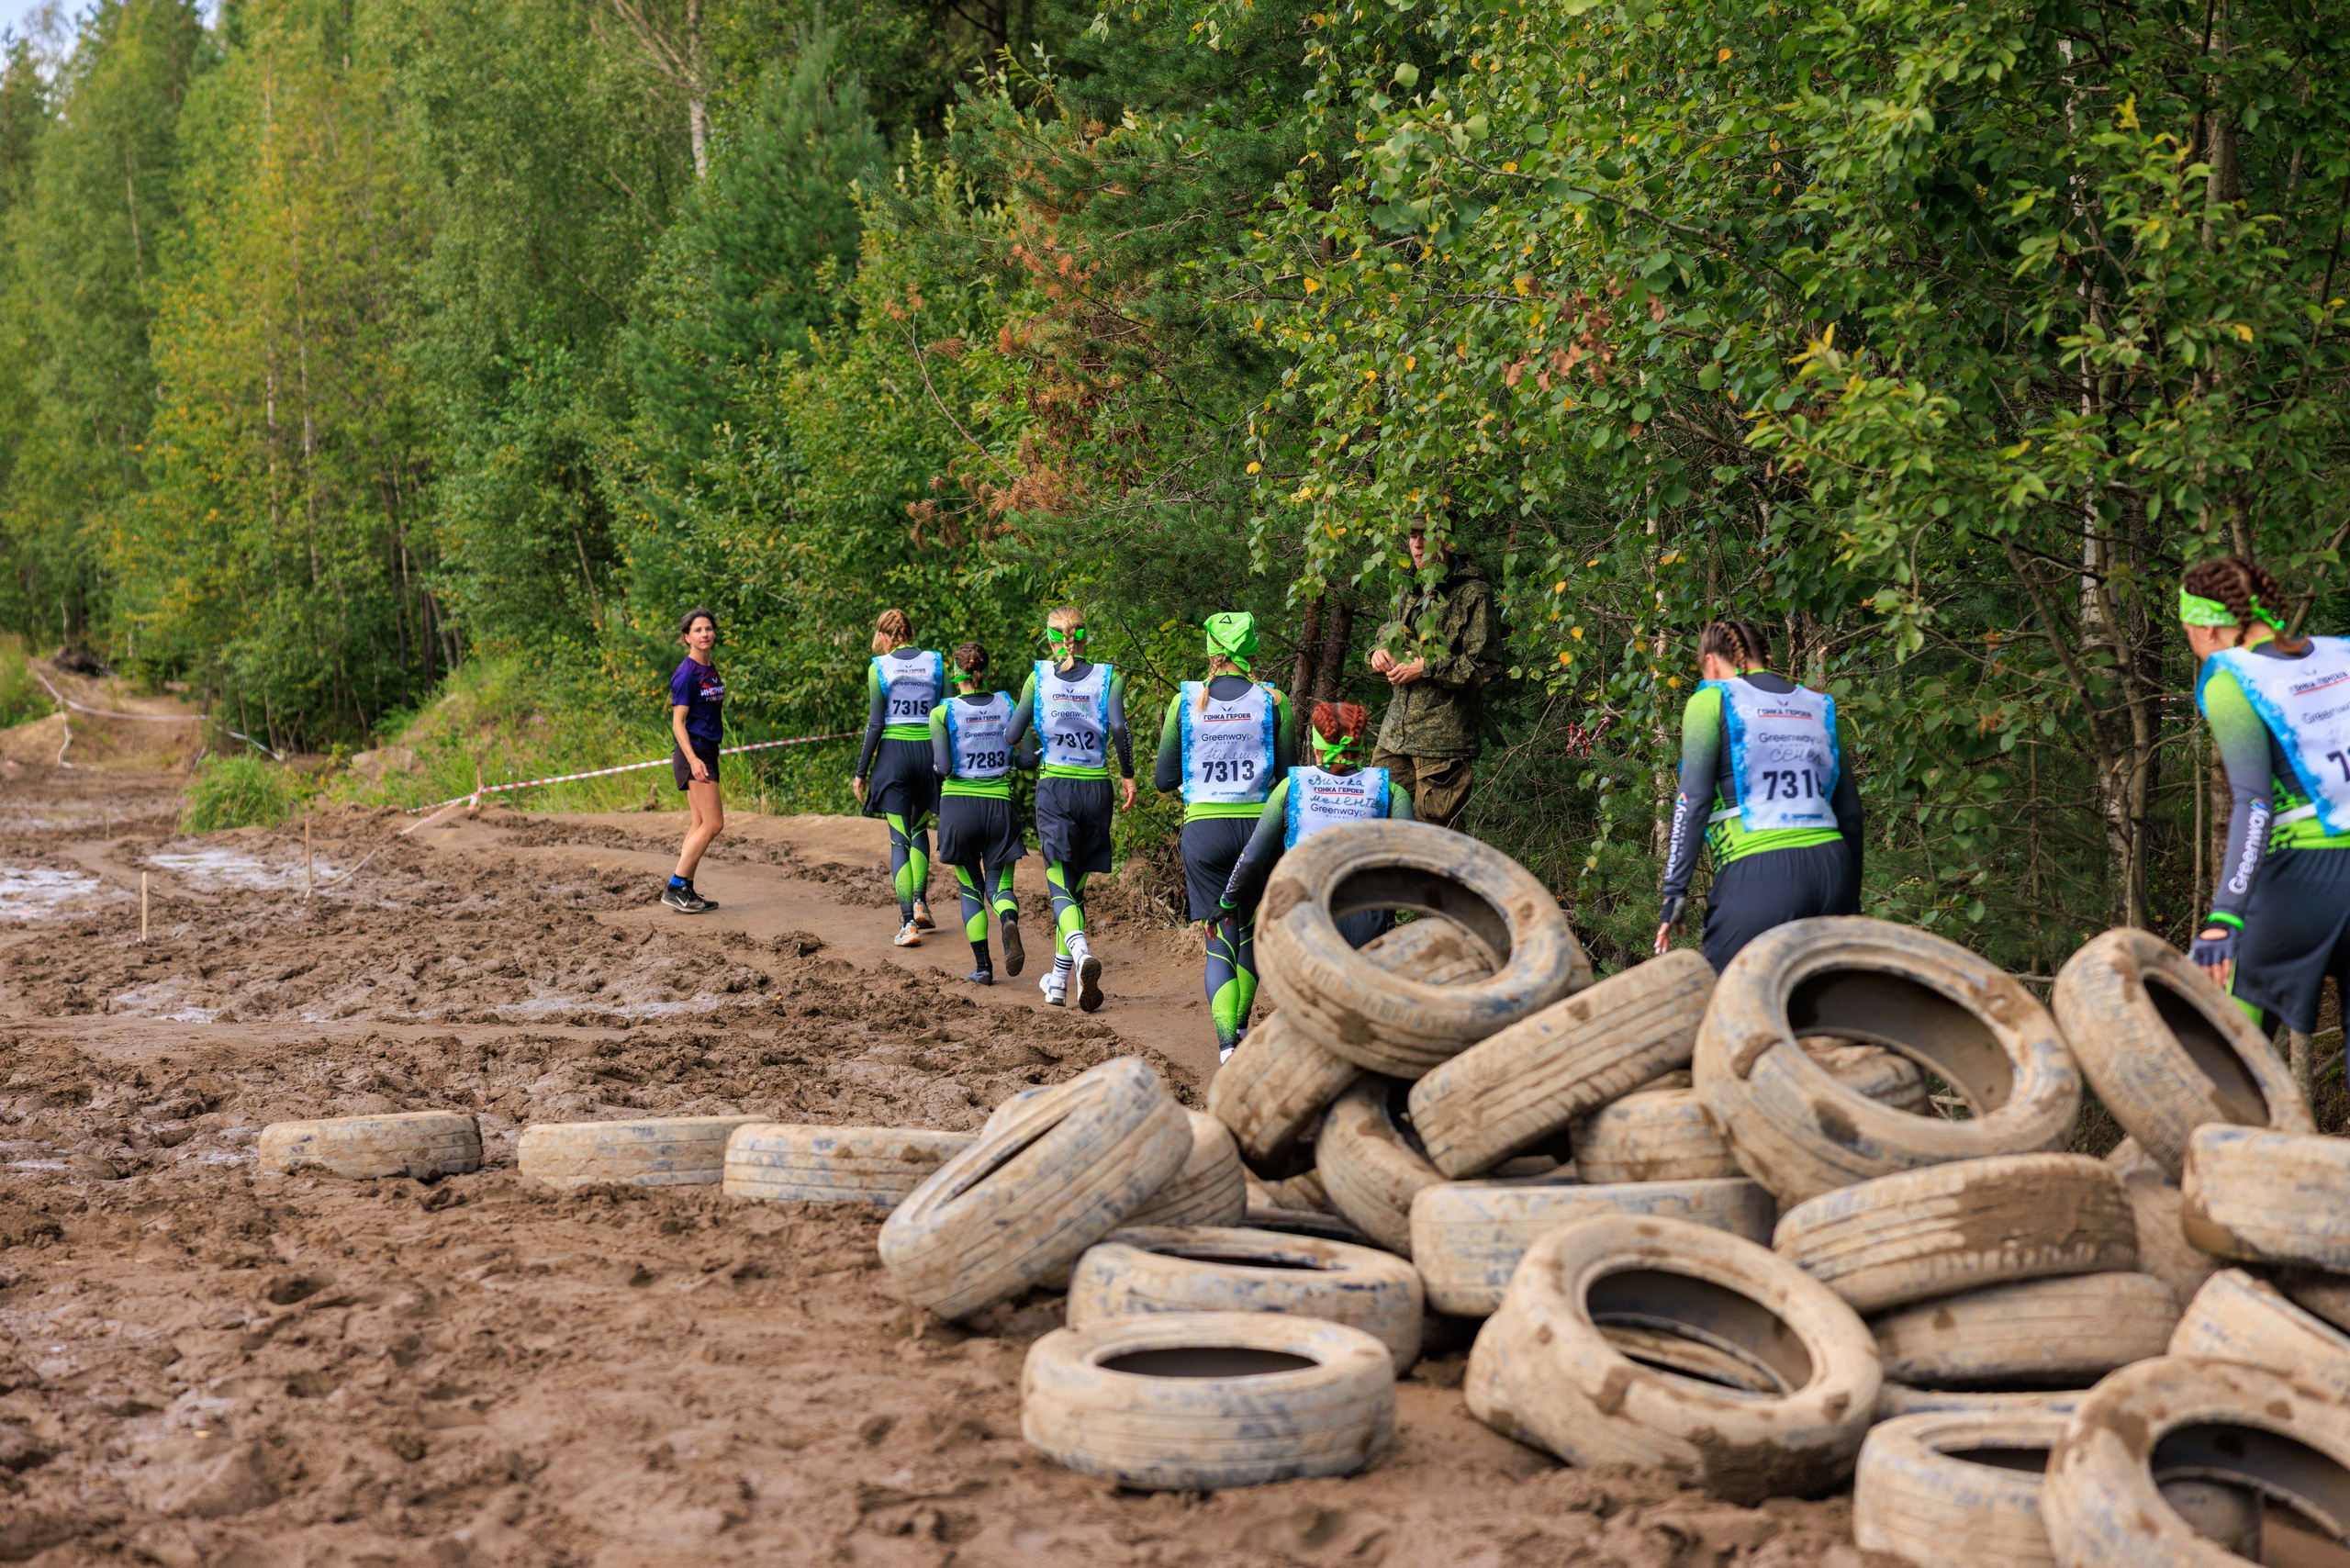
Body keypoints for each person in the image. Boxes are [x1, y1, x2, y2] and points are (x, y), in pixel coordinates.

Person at [2183, 555, 2350, 1036]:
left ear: (2208, 630)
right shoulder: (2340, 654)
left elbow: (2254, 802)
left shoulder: (2231, 676)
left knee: (2236, 1061)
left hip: (2301, 885)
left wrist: (2224, 916)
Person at [1654, 618, 1863, 970]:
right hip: (1834, 869)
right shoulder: (1819, 705)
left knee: (1727, 1001)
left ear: (1710, 662)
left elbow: (1692, 799)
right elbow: (1851, 813)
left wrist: (1675, 891)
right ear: (1765, 655)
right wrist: (1850, 898)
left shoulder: (1710, 700)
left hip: (1759, 874)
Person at [1154, 612, 1295, 1060]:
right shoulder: (1275, 701)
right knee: (1250, 932)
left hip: (1205, 830)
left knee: (1220, 937)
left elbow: (1161, 778)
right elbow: (1287, 778)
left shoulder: (1187, 701)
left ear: (1211, 650)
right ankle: (1238, 1027)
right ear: (1250, 648)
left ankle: (1225, 1045)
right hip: (1260, 829)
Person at [1006, 604, 1135, 1011]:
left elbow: (1013, 734)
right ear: (1085, 636)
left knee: (1059, 883)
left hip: (1056, 787)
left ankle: (1081, 956)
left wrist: (1032, 743)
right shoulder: (1108, 677)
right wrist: (1128, 774)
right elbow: (1118, 727)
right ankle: (1059, 982)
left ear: (1051, 637)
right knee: (1076, 889)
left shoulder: (1038, 678)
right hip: (1096, 788)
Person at [1218, 700, 1416, 951]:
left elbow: (1253, 856)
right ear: (1359, 745)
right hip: (1369, 914)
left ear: (1315, 747)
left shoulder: (1290, 787)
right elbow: (1414, 858)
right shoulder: (1390, 791)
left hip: (1307, 914)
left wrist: (1227, 902)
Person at [1368, 516, 1504, 830]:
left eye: (1425, 536)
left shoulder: (1472, 593)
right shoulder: (1405, 588)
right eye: (1412, 535)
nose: (1416, 543)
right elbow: (1383, 638)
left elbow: (1486, 667)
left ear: (1446, 541)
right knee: (1379, 825)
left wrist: (1426, 668)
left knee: (1437, 839)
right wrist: (1377, 654)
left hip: (1442, 743)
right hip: (1394, 737)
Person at [931, 642, 1031, 986]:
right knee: (999, 886)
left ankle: (983, 968)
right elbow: (1029, 757)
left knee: (970, 889)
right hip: (999, 806)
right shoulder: (1007, 703)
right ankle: (1007, 917)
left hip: (959, 808)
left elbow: (943, 768)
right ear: (984, 671)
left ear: (954, 672)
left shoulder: (942, 712)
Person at [852, 609, 945, 946]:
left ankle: (908, 924)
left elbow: (876, 724)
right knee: (920, 829)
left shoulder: (879, 668)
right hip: (928, 755)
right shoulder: (936, 663)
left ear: (887, 636)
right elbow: (947, 713)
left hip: (894, 756)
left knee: (898, 840)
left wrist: (861, 772)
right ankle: (921, 903)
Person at [663, 607, 727, 914]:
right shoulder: (687, 673)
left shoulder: (710, 668)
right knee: (714, 823)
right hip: (694, 753)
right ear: (687, 636)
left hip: (707, 750)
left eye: (708, 629)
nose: (705, 634)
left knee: (700, 823)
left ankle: (683, 888)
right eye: (698, 630)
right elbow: (678, 723)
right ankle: (675, 886)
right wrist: (694, 760)